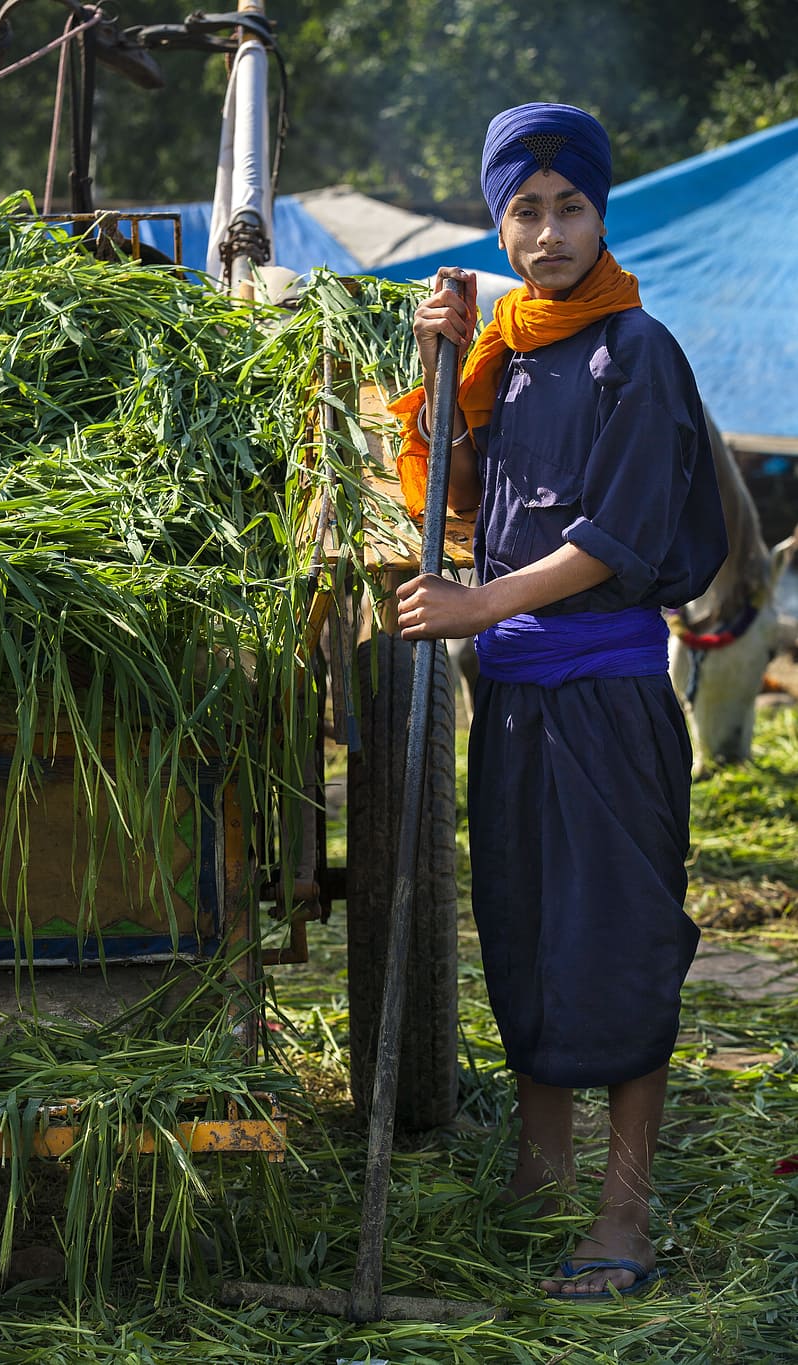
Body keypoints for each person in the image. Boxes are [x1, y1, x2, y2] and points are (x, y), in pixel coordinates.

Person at [391, 102, 728, 1299]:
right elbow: (470, 501)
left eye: (567, 208)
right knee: (527, 925)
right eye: (522, 212)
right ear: (498, 222)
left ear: (600, 213)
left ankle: (622, 1218)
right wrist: (438, 365)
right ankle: (538, 1185)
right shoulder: (511, 352)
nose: (545, 234)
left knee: (622, 941)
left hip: (608, 695)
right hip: (518, 701)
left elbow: (620, 535)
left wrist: (478, 610)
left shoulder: (634, 349)